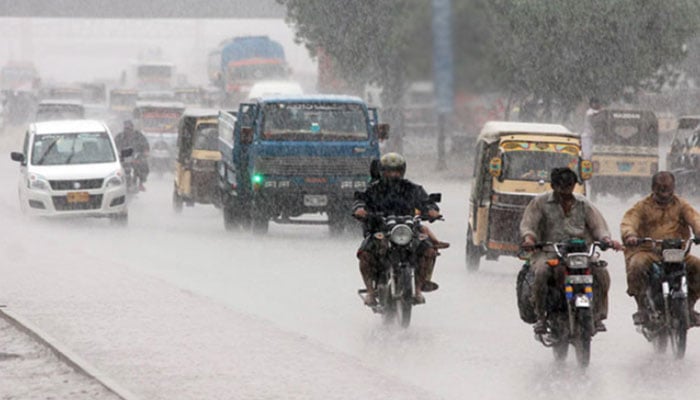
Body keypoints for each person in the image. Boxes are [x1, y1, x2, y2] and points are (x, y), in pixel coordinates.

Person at [520, 167, 622, 334]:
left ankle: (598, 315)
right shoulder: (540, 203)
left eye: (570, 185)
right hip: (549, 252)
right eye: (562, 186)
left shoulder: (584, 203)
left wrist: (606, 240)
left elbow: (598, 227)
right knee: (541, 273)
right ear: (553, 186)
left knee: (601, 272)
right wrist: (529, 239)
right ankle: (541, 317)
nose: (566, 191)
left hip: (580, 253)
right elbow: (528, 225)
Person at [353, 152, 442, 306]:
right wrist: (360, 210)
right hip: (380, 230)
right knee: (365, 254)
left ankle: (420, 287)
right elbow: (360, 201)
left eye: (397, 171)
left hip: (408, 230)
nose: (393, 174)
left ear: (402, 171)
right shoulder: (373, 190)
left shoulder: (412, 188)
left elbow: (427, 202)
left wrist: (432, 210)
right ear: (382, 171)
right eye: (388, 171)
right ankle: (370, 292)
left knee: (428, 250)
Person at [620, 171, 700, 326]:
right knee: (636, 265)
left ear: (674, 187)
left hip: (677, 253)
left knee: (697, 266)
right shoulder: (642, 206)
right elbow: (629, 221)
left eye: (668, 187)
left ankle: (689, 306)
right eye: (660, 187)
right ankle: (642, 307)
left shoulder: (682, 205)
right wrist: (630, 235)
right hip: (650, 252)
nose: (664, 191)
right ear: (653, 188)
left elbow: (695, 219)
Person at [114, 120, 150, 191]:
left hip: (137, 156)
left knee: (144, 166)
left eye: (129, 129)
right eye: (126, 129)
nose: (127, 131)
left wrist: (145, 152)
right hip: (124, 157)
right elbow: (114, 146)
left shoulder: (139, 136)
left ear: (132, 128)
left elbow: (145, 144)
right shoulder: (119, 137)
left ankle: (140, 183)